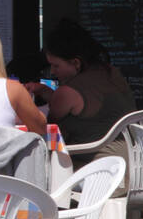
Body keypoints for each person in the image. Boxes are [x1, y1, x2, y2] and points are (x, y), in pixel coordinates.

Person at [23, 19, 136, 166]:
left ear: (76, 63)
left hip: (93, 172)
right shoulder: (112, 73)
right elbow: (87, 105)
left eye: (55, 65)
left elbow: (42, 129)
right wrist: (46, 91)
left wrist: (22, 102)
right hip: (132, 166)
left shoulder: (66, 93)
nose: (52, 71)